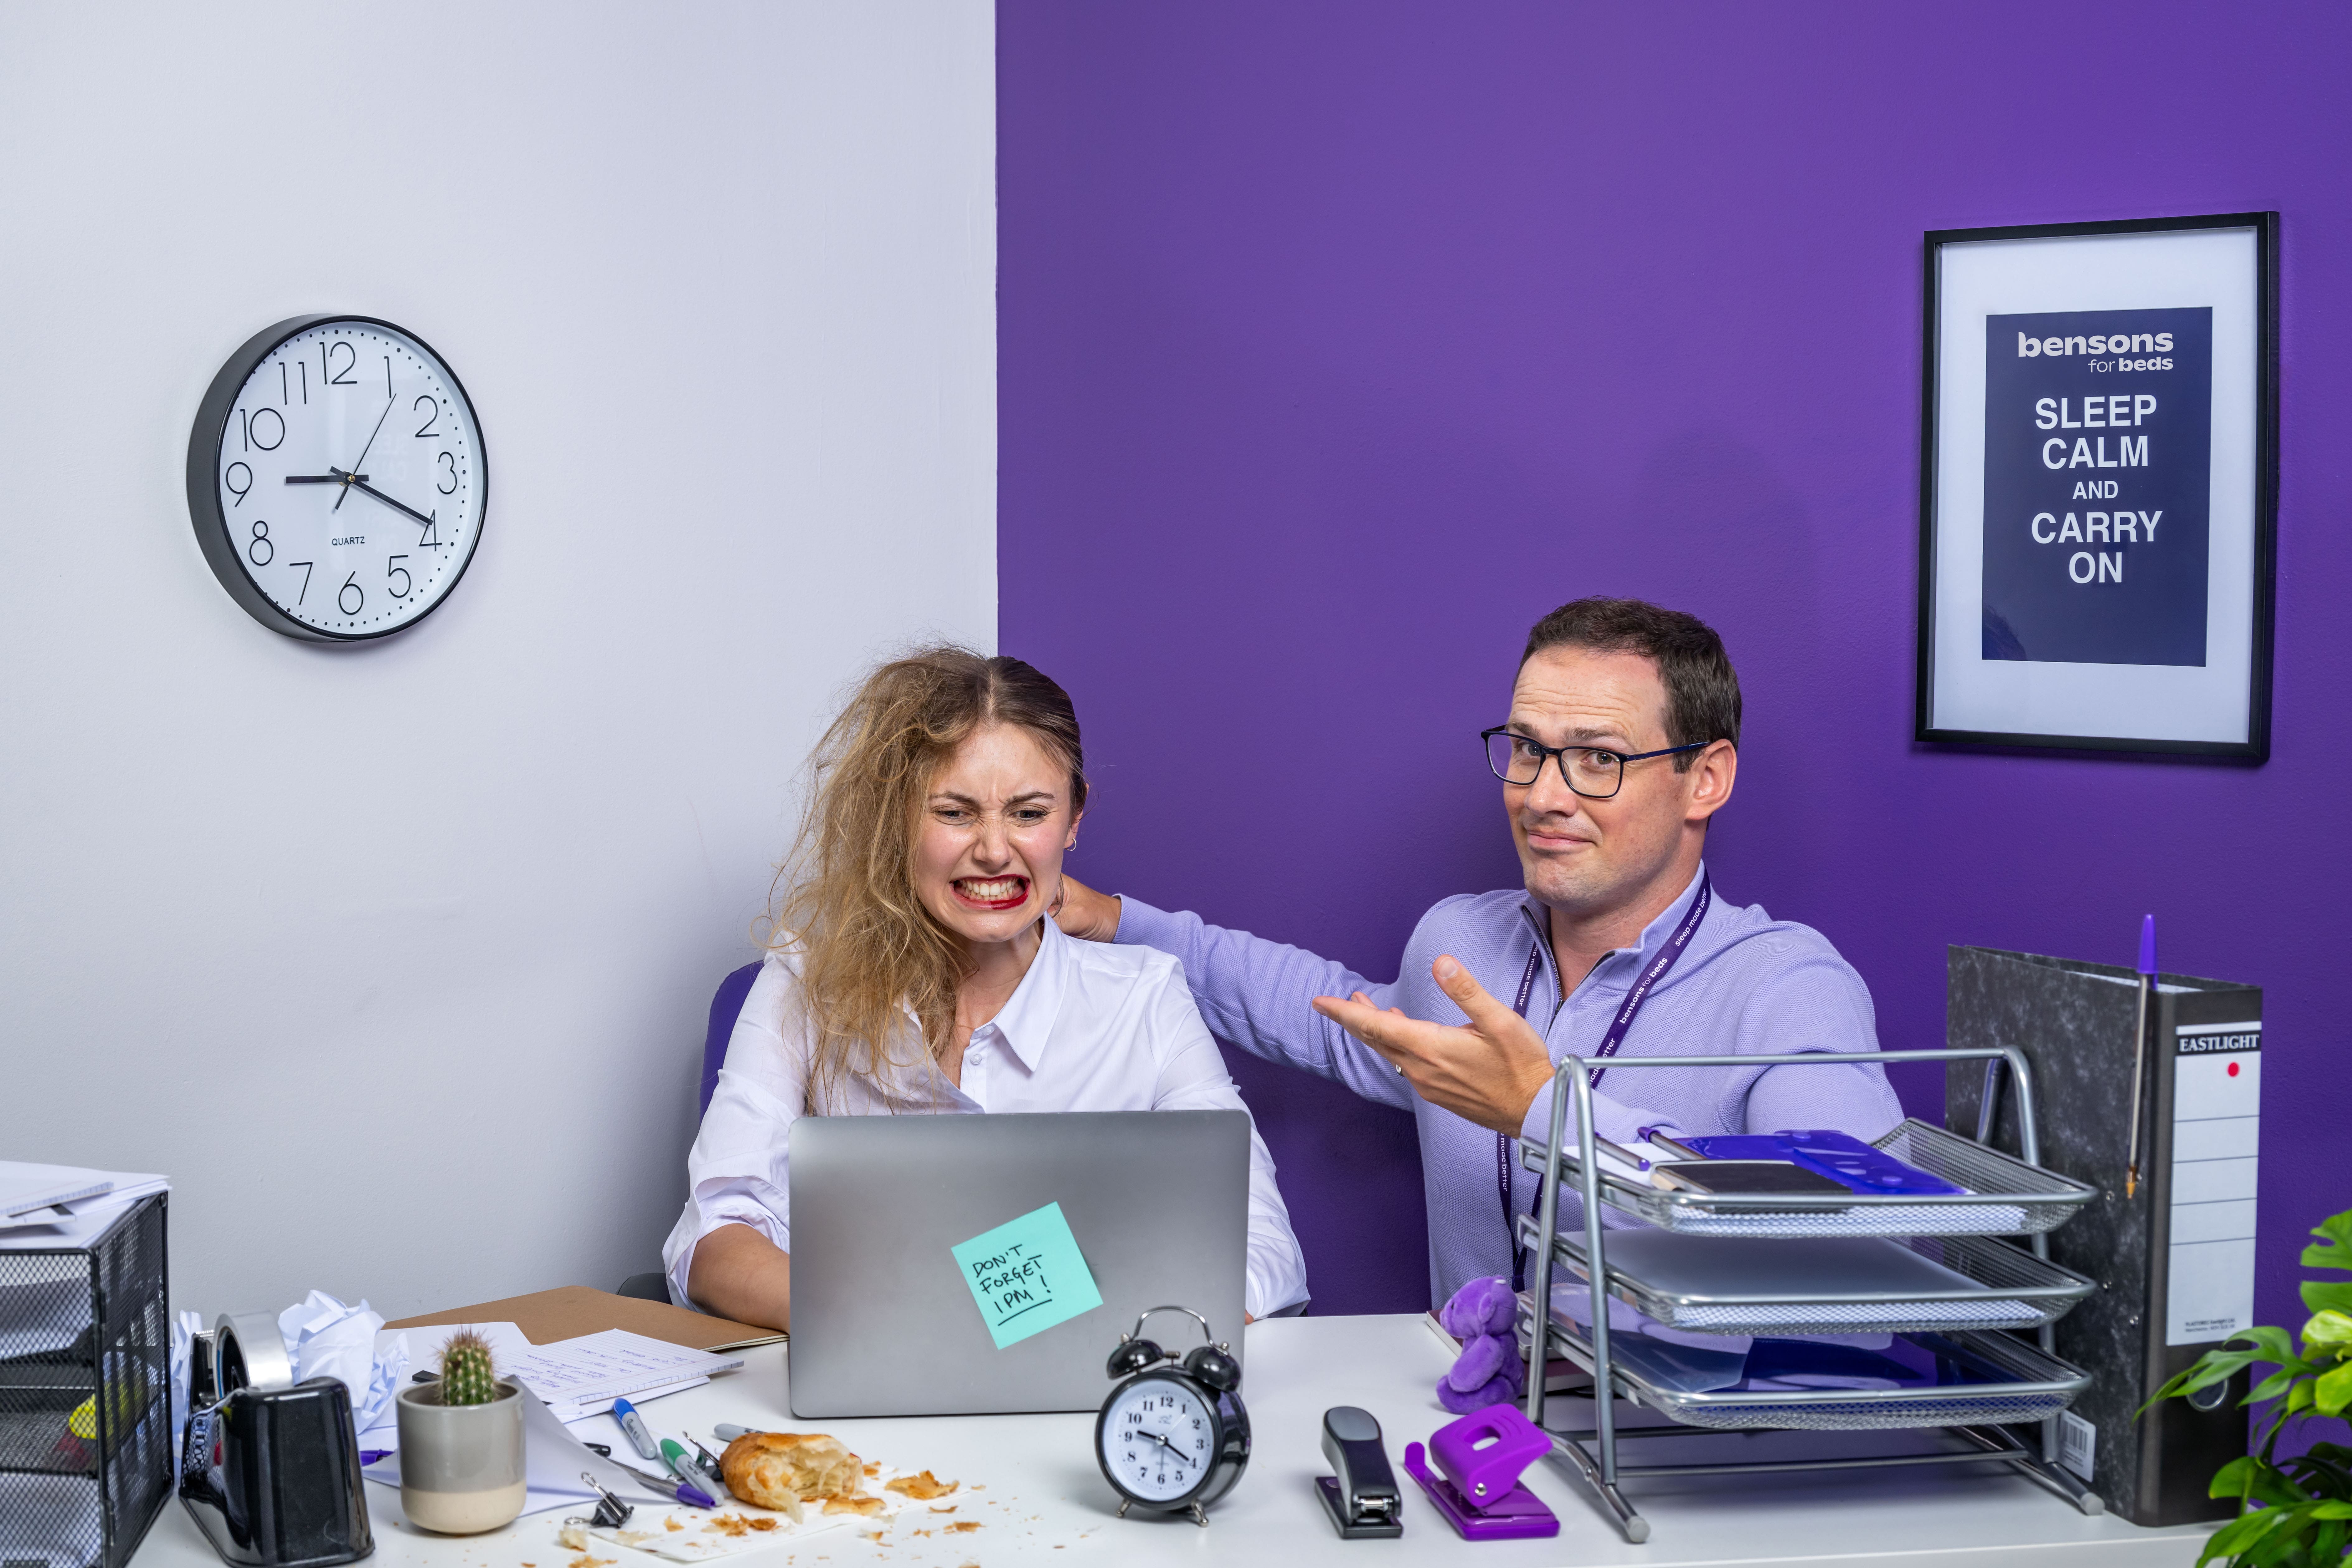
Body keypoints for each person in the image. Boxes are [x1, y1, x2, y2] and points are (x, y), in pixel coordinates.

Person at [1054, 598, 1901, 1306]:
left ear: (1705, 779)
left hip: (1678, 1466)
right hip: (1473, 1445)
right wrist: (1118, 920)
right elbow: (1328, 1016)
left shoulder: (1787, 983)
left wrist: (1542, 1111)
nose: (1542, 795)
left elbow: (1853, 1231)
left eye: (1597, 758)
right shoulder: (1462, 942)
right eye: (1528, 748)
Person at [662, 648, 1310, 1329]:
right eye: (955, 812)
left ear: (1075, 817)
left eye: (1030, 813)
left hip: (1086, 1401)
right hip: (863, 1399)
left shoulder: (1147, 999)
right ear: (897, 816)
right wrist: (917, 1322)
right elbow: (713, 1242)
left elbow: (1262, 1252)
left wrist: (1014, 1317)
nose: (996, 850)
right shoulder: (805, 976)